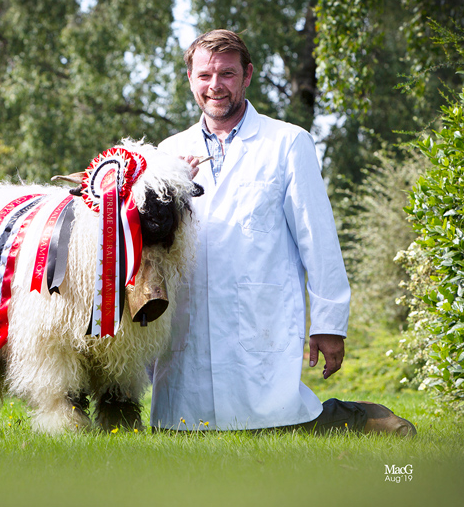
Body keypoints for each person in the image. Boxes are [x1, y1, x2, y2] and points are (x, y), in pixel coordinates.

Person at [151, 29, 415, 436]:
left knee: (276, 420)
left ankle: (361, 417)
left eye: (227, 74)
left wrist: (328, 323)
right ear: (190, 78)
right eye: (204, 75)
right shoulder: (167, 154)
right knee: (183, 428)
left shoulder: (288, 142)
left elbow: (318, 239)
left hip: (260, 313)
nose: (215, 85)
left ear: (247, 75)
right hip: (189, 321)